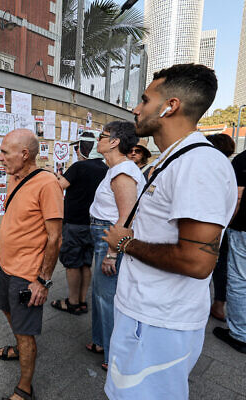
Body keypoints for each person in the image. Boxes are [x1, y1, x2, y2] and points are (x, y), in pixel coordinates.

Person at [103, 64, 237, 399]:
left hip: (159, 322)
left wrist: (125, 243)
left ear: (170, 106)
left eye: (145, 100)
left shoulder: (198, 164)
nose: (136, 108)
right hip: (146, 314)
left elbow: (197, 262)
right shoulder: (175, 159)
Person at [0, 129, 63, 400]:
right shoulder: (14, 176)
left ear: (24, 154)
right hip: (4, 264)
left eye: (4, 152)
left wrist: (42, 281)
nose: (0, 158)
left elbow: (55, 237)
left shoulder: (47, 184)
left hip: (27, 274)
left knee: (25, 332)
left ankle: (24, 388)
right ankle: (22, 349)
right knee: (6, 310)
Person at [86, 121, 144, 372]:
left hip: (109, 237)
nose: (98, 139)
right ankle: (100, 341)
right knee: (99, 292)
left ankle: (114, 355)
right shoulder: (115, 169)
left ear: (114, 142)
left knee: (107, 297)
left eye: (102, 135)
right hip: (102, 233)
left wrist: (112, 253)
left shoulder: (123, 173)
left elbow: (126, 217)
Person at [51, 131, 108, 315]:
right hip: (93, 224)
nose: (76, 151)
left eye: (78, 147)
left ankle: (73, 302)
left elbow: (60, 186)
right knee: (85, 263)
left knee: (72, 264)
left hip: (75, 223)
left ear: (85, 148)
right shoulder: (105, 169)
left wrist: (53, 176)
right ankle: (83, 301)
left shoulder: (78, 167)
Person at [213, 144, 246, 353]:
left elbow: (238, 197)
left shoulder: (243, 160)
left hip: (243, 228)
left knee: (238, 280)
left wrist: (224, 226)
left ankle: (240, 334)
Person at [205, 134, 236, 322]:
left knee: (210, 264)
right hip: (224, 226)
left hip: (216, 226)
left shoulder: (212, 169)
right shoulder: (229, 168)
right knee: (221, 265)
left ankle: (215, 305)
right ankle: (218, 304)